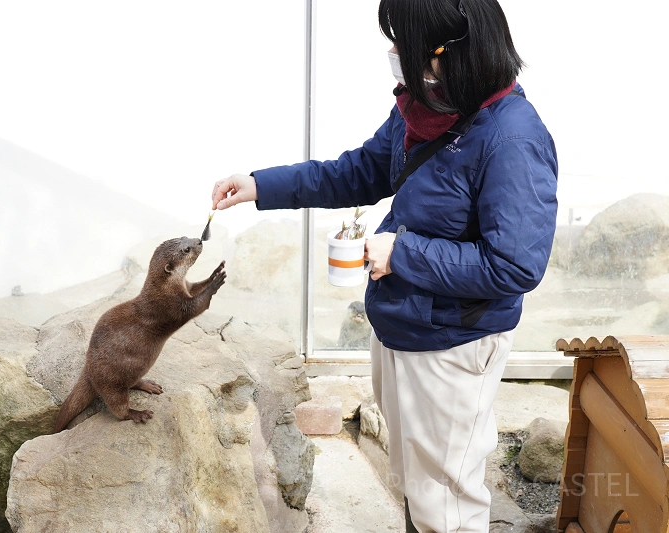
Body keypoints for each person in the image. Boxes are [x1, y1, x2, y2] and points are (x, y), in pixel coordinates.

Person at [211, 0, 557, 530]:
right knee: (419, 486)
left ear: (451, 50)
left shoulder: (511, 138)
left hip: (452, 345)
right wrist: (261, 185)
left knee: (449, 503)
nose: (394, 50)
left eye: (404, 38)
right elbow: (356, 172)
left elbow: (514, 266)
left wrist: (403, 252)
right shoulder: (424, 107)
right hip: (401, 324)